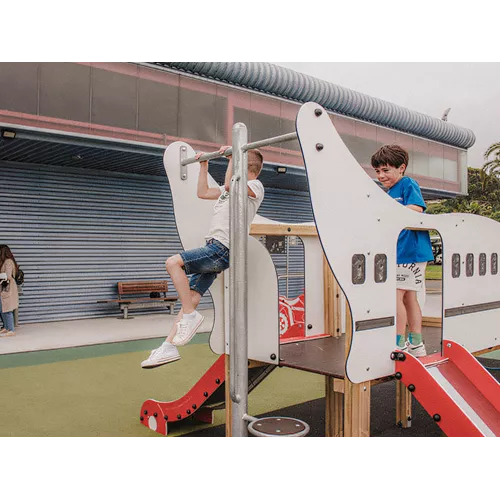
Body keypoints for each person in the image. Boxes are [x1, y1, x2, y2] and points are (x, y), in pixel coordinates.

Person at [141, 146, 265, 368]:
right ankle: (169, 346)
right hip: (215, 246)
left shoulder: (255, 186)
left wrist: (233, 158)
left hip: (223, 248)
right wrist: (203, 166)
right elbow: (203, 192)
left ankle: (190, 315)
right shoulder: (230, 189)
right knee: (192, 294)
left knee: (173, 263)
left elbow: (230, 184)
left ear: (244, 167)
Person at [371, 145, 434, 357]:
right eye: (378, 171)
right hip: (401, 251)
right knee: (408, 298)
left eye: (386, 170)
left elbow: (417, 208)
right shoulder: (389, 192)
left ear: (401, 168)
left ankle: (398, 342)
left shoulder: (407, 184)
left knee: (395, 295)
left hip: (411, 251)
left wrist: (390, 213)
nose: (381, 175)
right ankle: (415, 342)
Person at [0, 244, 20, 337]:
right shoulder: (4, 261)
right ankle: (6, 327)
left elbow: (8, 276)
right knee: (2, 308)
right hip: (3, 288)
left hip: (8, 288)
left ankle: (11, 329)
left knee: (7, 308)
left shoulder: (8, 262)